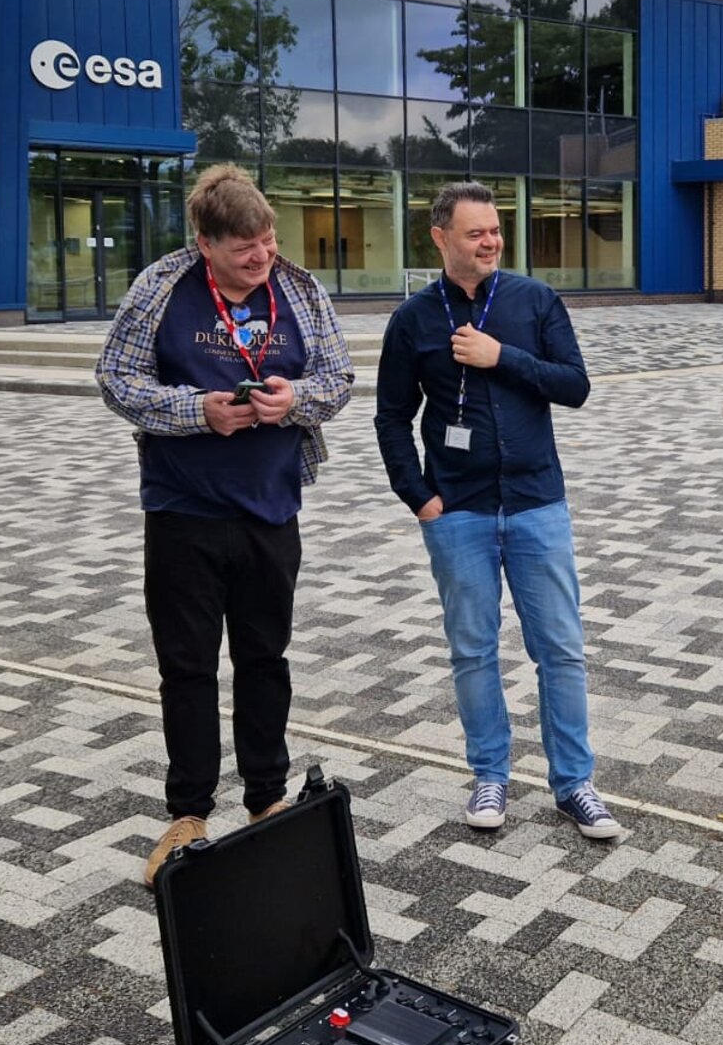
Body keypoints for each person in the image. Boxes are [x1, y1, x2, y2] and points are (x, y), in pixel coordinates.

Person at [96, 165, 353, 886]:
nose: (261, 255)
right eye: (243, 245)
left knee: (266, 658)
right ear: (204, 242)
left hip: (272, 510)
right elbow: (116, 379)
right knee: (187, 667)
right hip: (184, 511)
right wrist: (196, 411)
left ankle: (266, 797)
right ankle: (188, 811)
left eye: (267, 240)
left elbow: (337, 382)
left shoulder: (299, 290)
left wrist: (291, 399)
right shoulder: (160, 288)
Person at [374, 181, 624, 839]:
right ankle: (490, 775)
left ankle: (574, 784)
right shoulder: (413, 320)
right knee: (473, 652)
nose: (490, 241)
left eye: (494, 230)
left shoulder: (534, 301)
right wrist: (418, 496)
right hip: (457, 513)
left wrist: (502, 357)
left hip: (539, 504)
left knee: (561, 651)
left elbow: (575, 385)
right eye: (475, 232)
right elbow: (392, 417)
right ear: (440, 238)